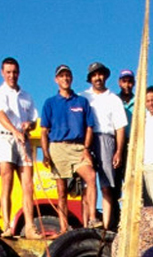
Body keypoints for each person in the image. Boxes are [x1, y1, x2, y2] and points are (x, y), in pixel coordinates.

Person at [40, 64, 98, 234]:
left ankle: (92, 218)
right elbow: (44, 131)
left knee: (91, 177)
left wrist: (86, 148)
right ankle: (64, 228)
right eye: (61, 76)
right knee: (62, 191)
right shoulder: (50, 103)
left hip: (79, 147)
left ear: (71, 78)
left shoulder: (81, 101)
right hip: (58, 147)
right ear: (56, 80)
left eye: (68, 75)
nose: (65, 78)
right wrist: (45, 153)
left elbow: (89, 127)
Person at [0, 57, 40, 238]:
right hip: (6, 139)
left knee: (28, 184)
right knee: (7, 182)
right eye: (8, 72)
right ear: (3, 73)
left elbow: (34, 119)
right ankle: (6, 226)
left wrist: (29, 125)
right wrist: (14, 130)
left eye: (14, 72)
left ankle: (29, 227)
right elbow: (1, 115)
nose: (12, 76)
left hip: (24, 141)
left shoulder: (27, 96)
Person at [82, 62, 127, 231]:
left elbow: (120, 127)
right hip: (87, 139)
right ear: (90, 78)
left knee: (107, 186)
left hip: (107, 139)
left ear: (105, 76)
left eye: (100, 74)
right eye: (94, 75)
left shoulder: (114, 99)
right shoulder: (83, 97)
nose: (97, 78)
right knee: (87, 185)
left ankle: (106, 228)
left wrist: (118, 152)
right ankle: (87, 225)